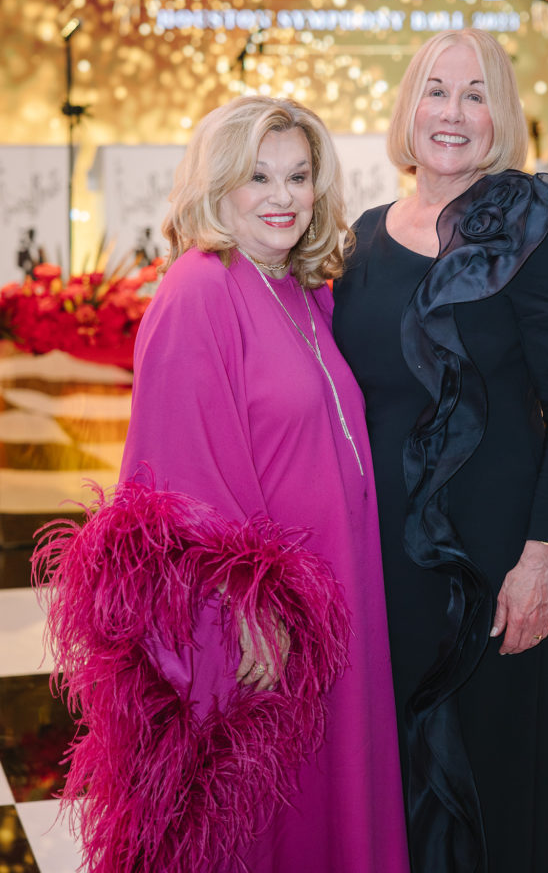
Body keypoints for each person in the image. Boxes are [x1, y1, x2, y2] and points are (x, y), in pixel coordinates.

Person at [33, 97, 410, 873]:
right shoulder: (199, 287)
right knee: (263, 815)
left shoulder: (304, 288)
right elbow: (176, 479)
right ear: (217, 186)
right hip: (262, 629)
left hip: (337, 604)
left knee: (330, 793)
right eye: (257, 176)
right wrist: (244, 608)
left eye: (298, 176)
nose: (282, 196)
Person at [333, 30, 548, 873]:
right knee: (394, 779)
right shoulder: (362, 241)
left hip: (492, 569)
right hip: (382, 564)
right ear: (407, 108)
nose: (452, 112)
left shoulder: (528, 231)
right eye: (435, 91)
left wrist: (539, 562)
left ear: (501, 116)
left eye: (475, 93)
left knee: (489, 776)